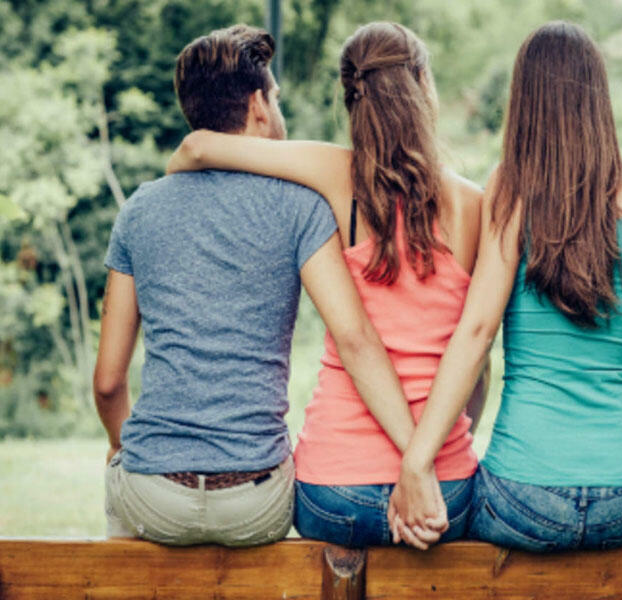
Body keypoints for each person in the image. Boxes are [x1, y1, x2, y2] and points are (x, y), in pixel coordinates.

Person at [167, 21, 486, 549]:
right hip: (444, 489)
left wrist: (171, 174)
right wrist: (426, 462)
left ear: (351, 97)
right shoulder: (472, 204)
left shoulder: (335, 173)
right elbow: (475, 361)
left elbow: (198, 147)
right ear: (423, 87)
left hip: (333, 491)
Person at [95, 24, 417, 547]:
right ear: (258, 106)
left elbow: (109, 382)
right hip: (256, 500)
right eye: (277, 98)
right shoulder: (301, 207)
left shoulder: (138, 211)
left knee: (121, 489)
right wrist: (414, 453)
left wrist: (119, 445)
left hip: (153, 495)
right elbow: (354, 337)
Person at [389, 21, 622, 551]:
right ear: (598, 98)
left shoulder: (512, 189)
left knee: (446, 517)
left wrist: (416, 461)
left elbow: (478, 331)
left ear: (525, 100)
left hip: (524, 494)